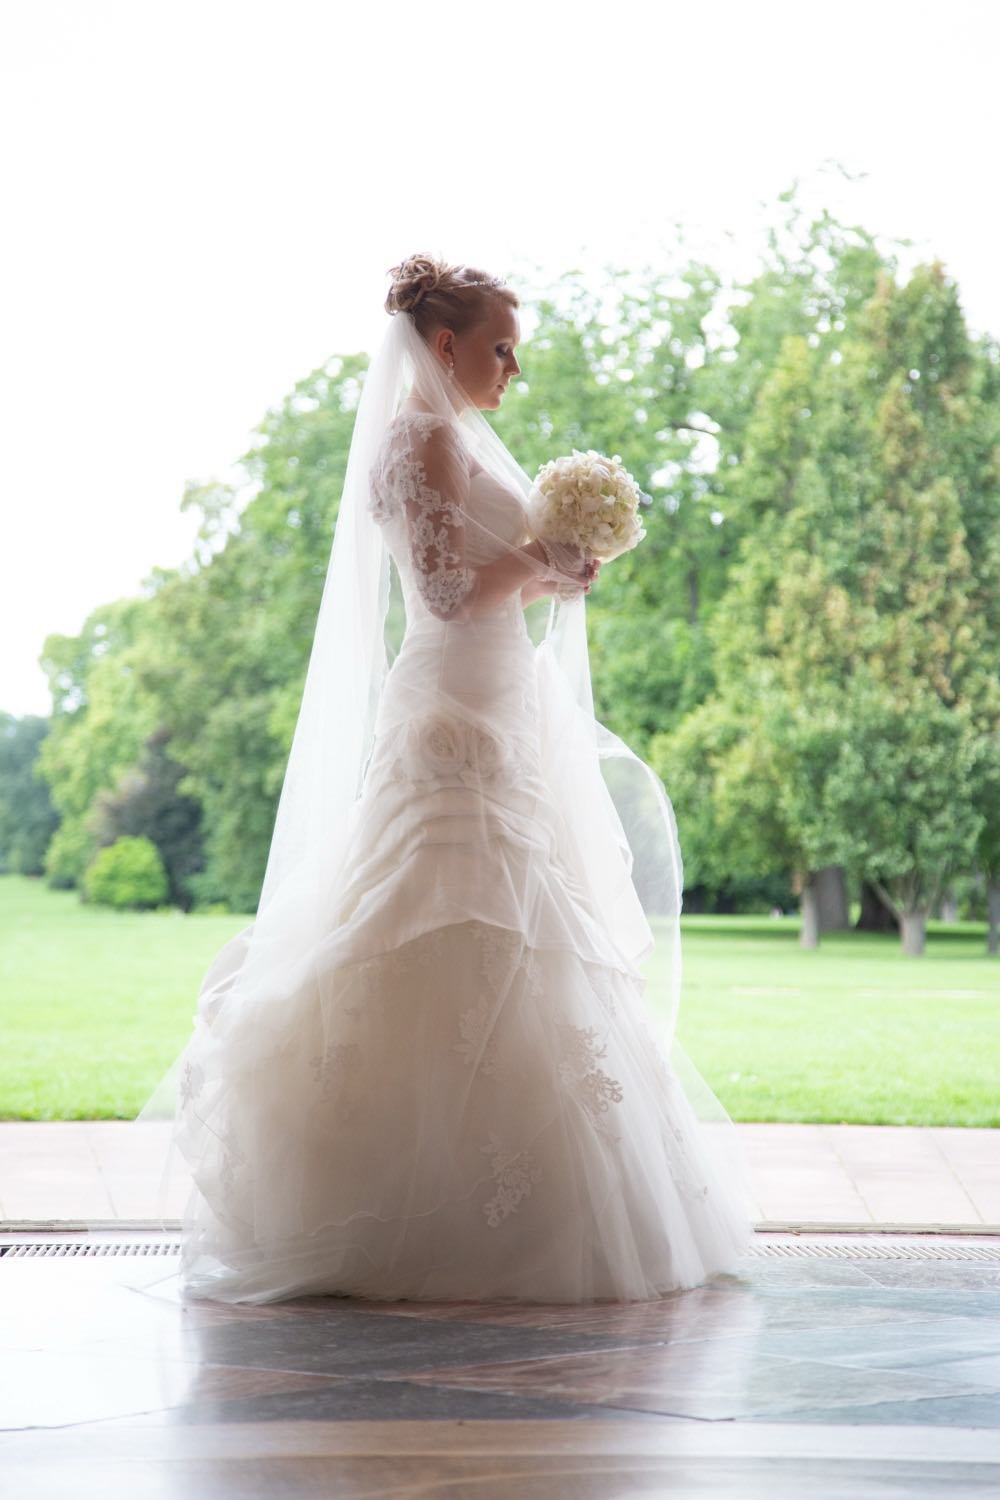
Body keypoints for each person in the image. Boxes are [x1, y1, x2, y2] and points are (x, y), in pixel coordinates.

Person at [128, 254, 757, 1305]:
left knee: (519, 913)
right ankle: (412, 1211)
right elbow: (448, 588)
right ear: (446, 344)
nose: (513, 369)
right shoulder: (416, 436)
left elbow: (495, 584)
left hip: (502, 697)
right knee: (447, 905)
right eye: (500, 348)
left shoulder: (454, 436)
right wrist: (540, 555)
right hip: (451, 711)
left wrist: (560, 566)